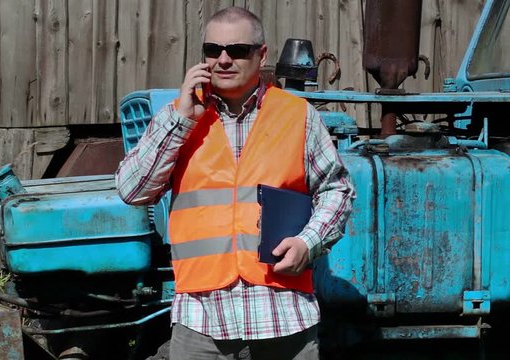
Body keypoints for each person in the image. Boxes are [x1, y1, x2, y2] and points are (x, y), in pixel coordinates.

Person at [115, 6, 355, 360]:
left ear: (262, 55)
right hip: (202, 323)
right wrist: (181, 120)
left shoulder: (297, 116)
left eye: (237, 51)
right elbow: (132, 190)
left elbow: (337, 190)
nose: (223, 60)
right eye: (213, 50)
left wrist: (309, 242)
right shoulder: (178, 117)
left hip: (281, 317)